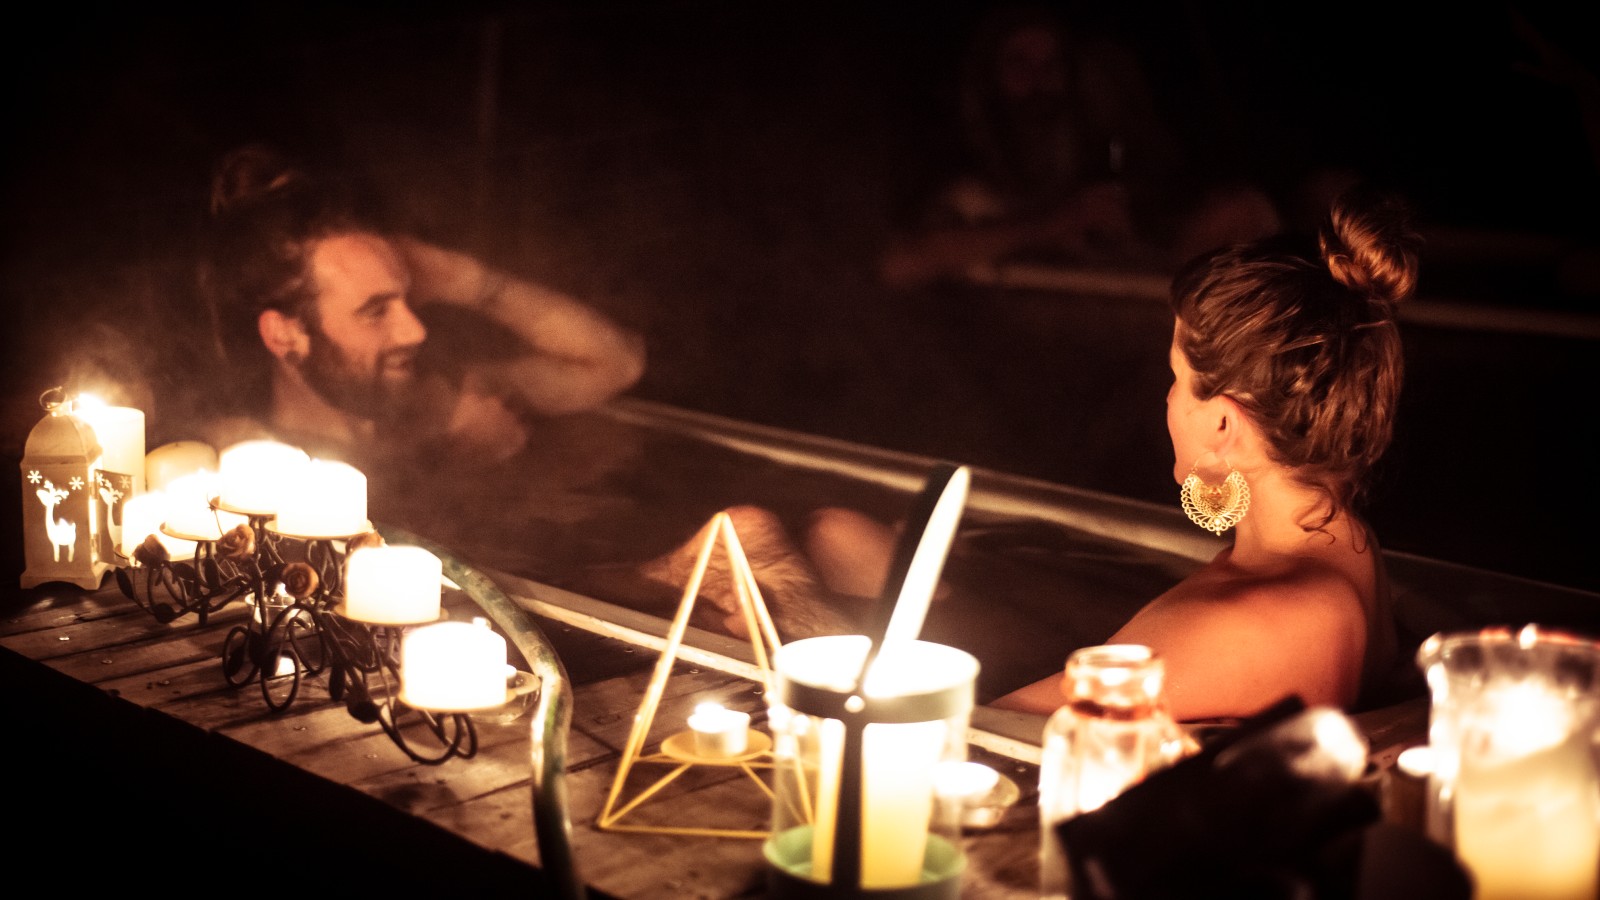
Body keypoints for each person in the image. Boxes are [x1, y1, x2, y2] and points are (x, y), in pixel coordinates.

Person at [649, 187, 1416, 722]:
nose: (1167, 401)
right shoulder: (1342, 547)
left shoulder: (1250, 620)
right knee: (841, 533)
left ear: (1224, 428)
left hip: (1000, 739)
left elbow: (963, 742)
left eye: (1179, 380)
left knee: (745, 541)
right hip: (1068, 673)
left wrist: (779, 622)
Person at [193, 143, 646, 465]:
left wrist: (468, 281)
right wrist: (447, 458)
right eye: (376, 311)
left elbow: (615, 363)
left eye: (406, 298)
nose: (415, 331)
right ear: (284, 334)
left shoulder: (432, 405)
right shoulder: (244, 462)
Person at [878, 3, 1281, 290]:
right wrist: (1051, 224)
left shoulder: (1092, 149)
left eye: (1050, 66)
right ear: (990, 79)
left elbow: (1152, 214)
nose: (1038, 81)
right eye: (1020, 65)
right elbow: (900, 264)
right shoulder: (963, 160)